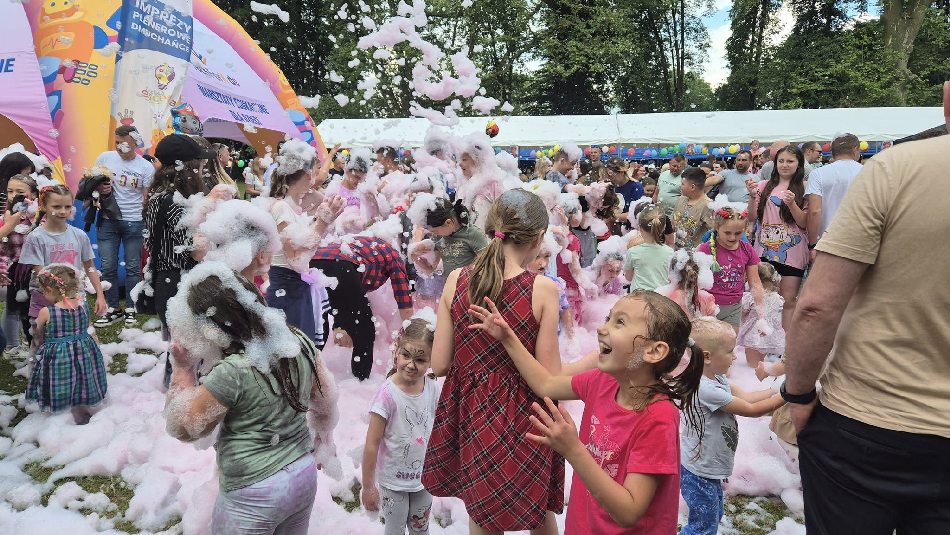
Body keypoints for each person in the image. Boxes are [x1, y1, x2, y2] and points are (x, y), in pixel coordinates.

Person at [782, 85, 950, 535]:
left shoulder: (896, 167)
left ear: (947, 98)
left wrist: (798, 396)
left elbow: (817, 306)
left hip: (869, 417)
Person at [467, 290, 705, 535]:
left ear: (654, 351)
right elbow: (546, 384)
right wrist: (508, 338)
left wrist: (573, 450)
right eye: (608, 318)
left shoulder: (658, 417)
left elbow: (628, 512)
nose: (602, 328)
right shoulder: (602, 382)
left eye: (620, 322)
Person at [422, 189, 563, 535]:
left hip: (473, 415)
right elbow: (550, 378)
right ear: (538, 238)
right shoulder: (542, 289)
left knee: (482, 513)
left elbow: (440, 364)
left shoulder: (457, 280)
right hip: (528, 417)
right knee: (538, 509)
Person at [163, 264, 336, 535]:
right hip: (302, 475)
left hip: (254, 494)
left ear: (210, 329)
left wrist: (183, 370)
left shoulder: (233, 372)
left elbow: (185, 427)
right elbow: (325, 400)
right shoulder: (298, 341)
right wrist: (324, 440)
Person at [678, 318, 786, 535]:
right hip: (699, 472)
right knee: (703, 526)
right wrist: (789, 394)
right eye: (730, 351)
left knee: (713, 516)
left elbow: (747, 397)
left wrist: (776, 390)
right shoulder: (704, 389)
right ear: (707, 356)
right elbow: (751, 409)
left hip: (707, 467)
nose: (735, 356)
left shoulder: (717, 379)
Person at [145, 134, 214, 385]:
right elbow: (189, 253)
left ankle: (175, 385)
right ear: (187, 166)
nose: (203, 167)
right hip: (178, 281)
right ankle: (179, 390)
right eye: (200, 162)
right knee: (185, 345)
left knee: (179, 343)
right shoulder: (176, 203)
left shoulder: (158, 195)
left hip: (165, 278)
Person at [361, 317, 440, 535]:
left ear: (432, 359)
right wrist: (368, 487)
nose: (411, 365)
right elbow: (371, 444)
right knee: (394, 530)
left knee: (420, 528)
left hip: (424, 478)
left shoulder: (432, 388)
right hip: (393, 482)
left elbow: (439, 428)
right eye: (406, 355)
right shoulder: (387, 395)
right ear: (396, 350)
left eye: (420, 360)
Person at [265, 140, 343, 343]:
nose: (319, 174)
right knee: (293, 349)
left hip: (294, 286)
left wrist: (323, 222)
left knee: (302, 348)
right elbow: (297, 261)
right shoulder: (281, 208)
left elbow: (303, 247)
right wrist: (322, 223)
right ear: (309, 174)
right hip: (286, 287)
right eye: (317, 169)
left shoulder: (293, 207)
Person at [310, 236, 414, 380]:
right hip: (341, 266)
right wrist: (412, 336)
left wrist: (340, 325)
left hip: (311, 264)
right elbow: (404, 300)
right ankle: (361, 381)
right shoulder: (393, 254)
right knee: (365, 327)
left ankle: (306, 373)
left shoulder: (357, 243)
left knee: (318, 324)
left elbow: (342, 297)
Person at [25, 264, 107, 424]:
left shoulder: (46, 312)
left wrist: (39, 344)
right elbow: (86, 326)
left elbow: (37, 333)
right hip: (84, 350)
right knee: (83, 376)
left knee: (61, 380)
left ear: (50, 290)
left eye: (44, 291)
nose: (43, 294)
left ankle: (62, 411)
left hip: (58, 355)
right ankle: (82, 404)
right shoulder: (83, 305)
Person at [92, 125, 155, 327]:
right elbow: (90, 185)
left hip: (134, 221)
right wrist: (99, 188)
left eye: (125, 143)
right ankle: (113, 308)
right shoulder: (105, 158)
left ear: (135, 143)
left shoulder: (145, 167)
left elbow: (147, 199)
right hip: (107, 220)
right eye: (117, 142)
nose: (120, 147)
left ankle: (130, 307)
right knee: (108, 266)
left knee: (133, 267)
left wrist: (146, 221)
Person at [21, 185, 108, 323]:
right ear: (43, 206)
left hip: (75, 298)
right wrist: (61, 296)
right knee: (45, 334)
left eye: (67, 207)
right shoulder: (36, 238)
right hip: (45, 299)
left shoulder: (79, 235)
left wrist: (100, 295)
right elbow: (41, 273)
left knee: (79, 333)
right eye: (56, 207)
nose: (63, 211)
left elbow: (90, 266)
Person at [748, 145, 808, 327]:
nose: (785, 165)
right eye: (781, 161)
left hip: (792, 254)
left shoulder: (805, 188)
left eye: (790, 161)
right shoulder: (763, 186)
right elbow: (751, 217)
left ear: (799, 164)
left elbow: (804, 223)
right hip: (764, 251)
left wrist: (792, 204)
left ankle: (785, 339)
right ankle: (763, 335)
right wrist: (751, 196)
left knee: (788, 299)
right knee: (763, 297)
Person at [696, 205, 766, 331]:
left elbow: (755, 283)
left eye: (738, 233)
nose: (732, 237)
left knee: (730, 341)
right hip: (707, 306)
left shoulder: (747, 250)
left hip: (733, 308)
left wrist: (762, 316)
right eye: (727, 233)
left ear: (744, 230)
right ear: (717, 227)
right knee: (708, 341)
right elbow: (695, 282)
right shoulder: (705, 249)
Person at [410, 198, 489, 301]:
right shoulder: (439, 237)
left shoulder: (472, 234)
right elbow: (431, 268)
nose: (434, 235)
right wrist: (418, 260)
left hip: (471, 290)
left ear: (449, 222)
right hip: (450, 289)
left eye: (435, 231)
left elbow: (487, 264)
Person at [804, 133, 862, 259]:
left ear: (833, 152)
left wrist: (813, 244)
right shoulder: (868, 172)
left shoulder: (818, 173)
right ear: (855, 149)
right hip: (860, 242)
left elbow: (814, 211)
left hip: (827, 242)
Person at [1, 174, 39, 355]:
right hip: (17, 273)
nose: (13, 195)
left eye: (19, 192)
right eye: (9, 191)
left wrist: (32, 217)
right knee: (23, 314)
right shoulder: (6, 218)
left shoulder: (41, 215)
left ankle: (45, 351)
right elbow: (4, 249)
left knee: (40, 314)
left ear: (33, 195)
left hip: (38, 271)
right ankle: (31, 353)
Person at [737, 262, 785, 367]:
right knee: (761, 363)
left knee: (751, 365)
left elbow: (742, 312)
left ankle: (751, 376)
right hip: (768, 335)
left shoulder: (751, 297)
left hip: (753, 334)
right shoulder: (777, 298)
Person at [623, 205, 674, 292]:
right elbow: (670, 278)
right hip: (660, 296)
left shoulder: (633, 251)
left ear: (640, 227)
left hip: (639, 296)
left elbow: (628, 277)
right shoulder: (670, 252)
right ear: (664, 228)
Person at [655, 249, 717, 319]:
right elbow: (713, 322)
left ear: (672, 273)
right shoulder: (707, 297)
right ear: (699, 272)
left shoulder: (666, 298)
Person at [672, 168, 715, 250]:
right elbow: (674, 223)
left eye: (682, 184)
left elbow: (713, 233)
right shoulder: (681, 199)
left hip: (695, 253)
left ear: (692, 187)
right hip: (677, 251)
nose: (680, 186)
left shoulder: (708, 205)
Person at [606, 157, 644, 232]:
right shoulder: (612, 186)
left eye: (611, 174)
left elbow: (637, 213)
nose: (610, 178)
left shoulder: (635, 187)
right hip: (615, 229)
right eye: (608, 175)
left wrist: (611, 217)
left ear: (621, 172)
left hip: (631, 230)